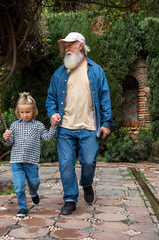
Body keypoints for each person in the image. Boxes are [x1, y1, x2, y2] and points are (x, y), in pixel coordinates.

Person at [46, 32, 113, 215]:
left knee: (89, 162)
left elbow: (104, 98)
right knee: (66, 163)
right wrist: (52, 113)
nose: (66, 49)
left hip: (89, 127)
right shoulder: (59, 73)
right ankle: (70, 199)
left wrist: (106, 122)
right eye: (65, 46)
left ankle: (87, 183)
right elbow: (51, 98)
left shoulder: (96, 71)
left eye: (70, 45)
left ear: (80, 46)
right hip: (65, 128)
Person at [3, 92, 57, 217]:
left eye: (28, 112)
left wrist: (53, 127)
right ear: (18, 112)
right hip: (16, 161)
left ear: (34, 111)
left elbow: (48, 137)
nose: (25, 115)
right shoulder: (14, 126)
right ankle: (22, 207)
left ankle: (33, 193)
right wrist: (6, 138)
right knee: (19, 186)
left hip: (31, 161)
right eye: (22, 112)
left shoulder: (38, 126)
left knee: (35, 182)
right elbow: (9, 143)